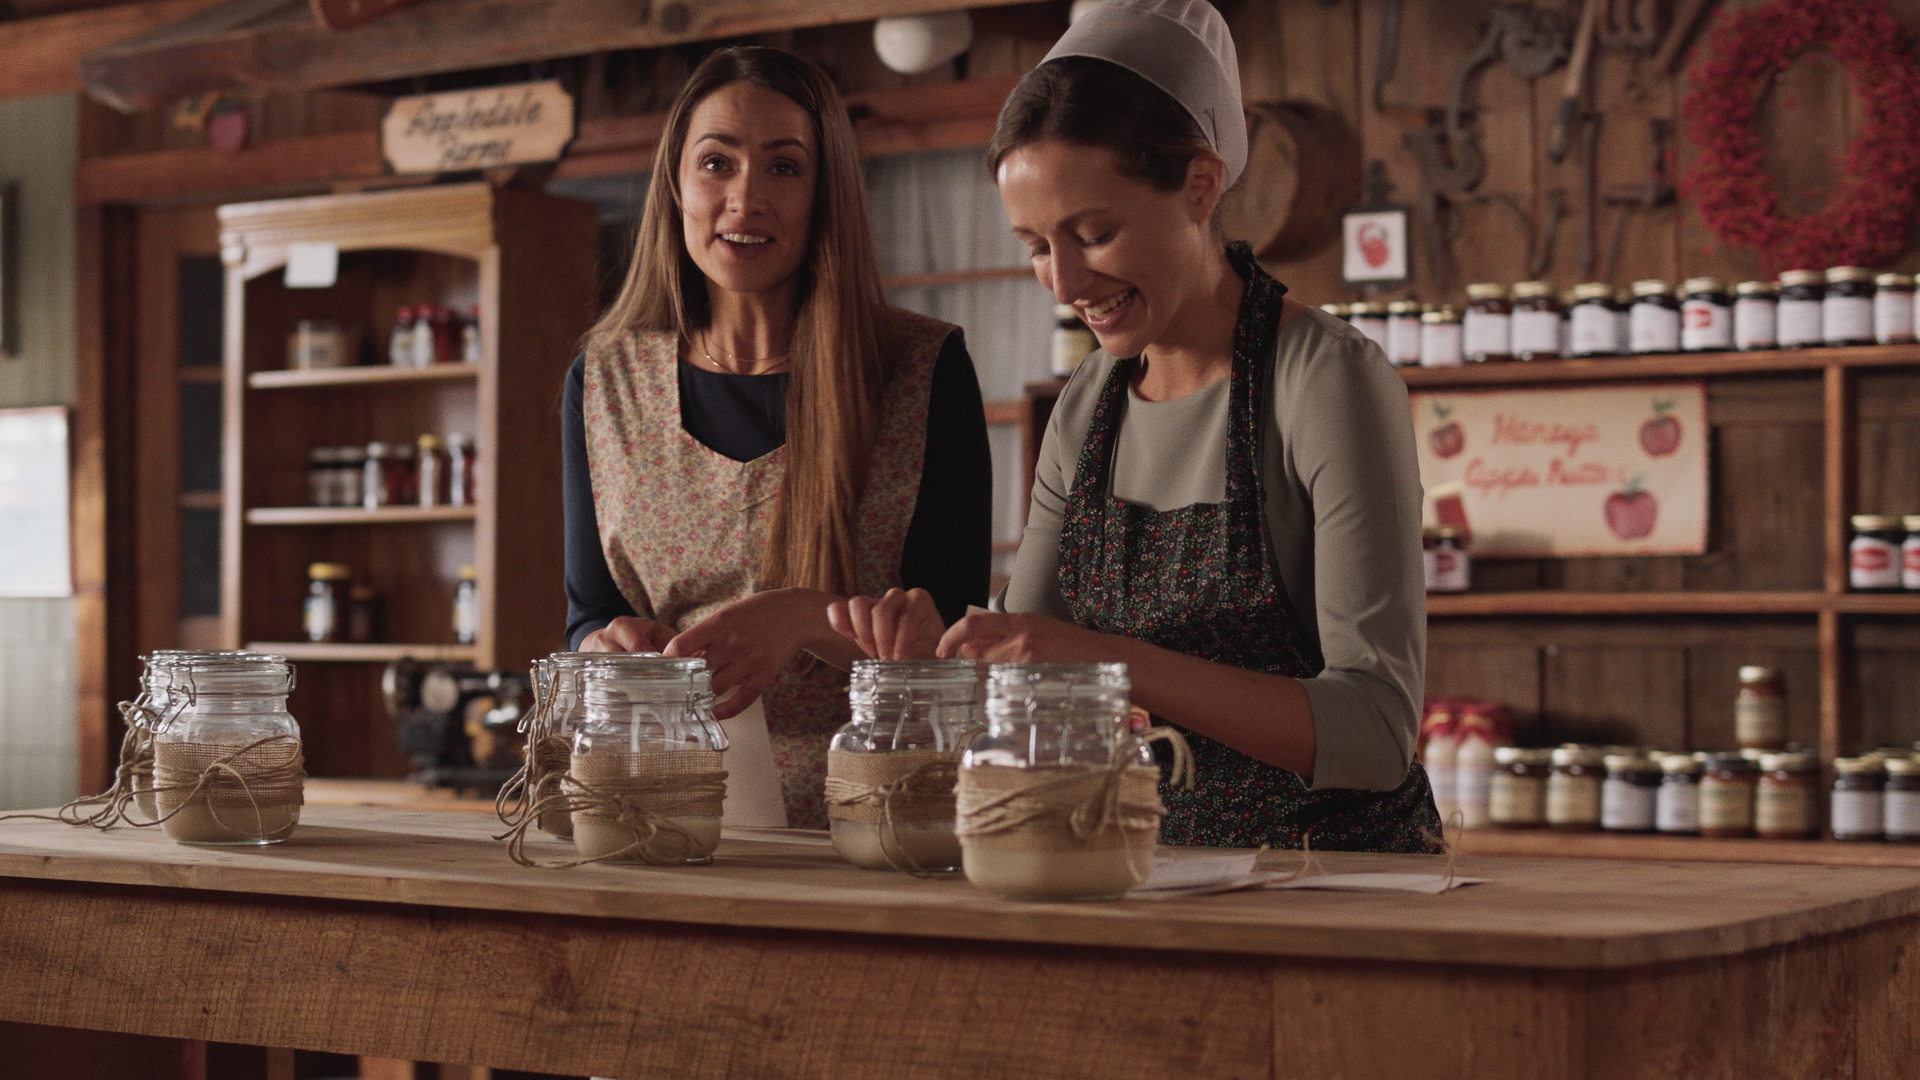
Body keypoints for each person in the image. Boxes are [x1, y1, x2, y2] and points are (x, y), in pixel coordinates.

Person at [830, 0, 1440, 853]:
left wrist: (1107, 661)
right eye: (1037, 245)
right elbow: (1030, 668)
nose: (1064, 282)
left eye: (1094, 232)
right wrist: (944, 655)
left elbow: (1376, 733)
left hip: (1327, 891)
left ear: (1199, 184)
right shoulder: (1088, 406)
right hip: (1131, 874)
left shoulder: (1327, 380)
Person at [563, 46, 992, 828]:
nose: (745, 198)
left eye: (784, 169)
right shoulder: (604, 382)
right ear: (676, 184)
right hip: (663, 815)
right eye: (716, 163)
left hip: (880, 822)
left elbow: (953, 657)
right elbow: (589, 612)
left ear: (825, 193)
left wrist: (807, 620)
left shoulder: (921, 371)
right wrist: (607, 648)